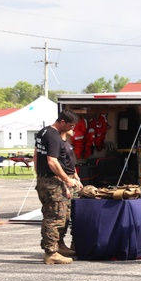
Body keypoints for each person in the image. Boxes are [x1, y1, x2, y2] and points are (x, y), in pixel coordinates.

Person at [35, 110, 82, 265]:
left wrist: (39, 174)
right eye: (70, 125)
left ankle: (59, 246)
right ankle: (51, 252)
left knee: (63, 215)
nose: (71, 129)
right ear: (62, 122)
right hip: (52, 182)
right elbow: (52, 162)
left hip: (47, 179)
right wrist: (66, 180)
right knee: (55, 217)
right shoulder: (54, 136)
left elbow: (36, 155)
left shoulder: (43, 132)